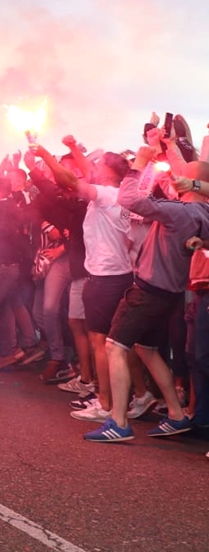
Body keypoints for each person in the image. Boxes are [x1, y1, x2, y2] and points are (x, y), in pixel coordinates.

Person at [84, 145, 209, 443]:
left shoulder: (180, 212)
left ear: (188, 182)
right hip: (170, 295)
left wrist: (139, 164)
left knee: (115, 346)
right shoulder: (202, 213)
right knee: (147, 350)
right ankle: (177, 415)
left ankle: (118, 422)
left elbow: (128, 199)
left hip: (149, 292)